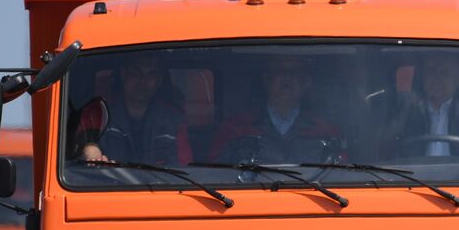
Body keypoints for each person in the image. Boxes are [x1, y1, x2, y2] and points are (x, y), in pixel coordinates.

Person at [210, 53, 344, 164]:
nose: (287, 78)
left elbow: (343, 177)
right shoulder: (235, 129)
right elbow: (215, 176)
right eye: (279, 71)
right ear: (266, 79)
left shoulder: (326, 132)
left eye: (295, 73)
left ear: (306, 82)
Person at [73, 54, 190, 166]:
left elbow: (184, 165)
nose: (143, 81)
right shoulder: (98, 112)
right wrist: (92, 155)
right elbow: (84, 144)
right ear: (124, 74)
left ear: (159, 80)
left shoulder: (174, 119)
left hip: (160, 185)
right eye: (136, 72)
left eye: (151, 74)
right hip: (106, 184)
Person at [390, 50, 459, 158]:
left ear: (458, 79)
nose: (436, 79)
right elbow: (385, 149)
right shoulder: (406, 109)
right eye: (431, 71)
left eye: (444, 73)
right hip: (409, 175)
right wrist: (404, 114)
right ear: (423, 76)